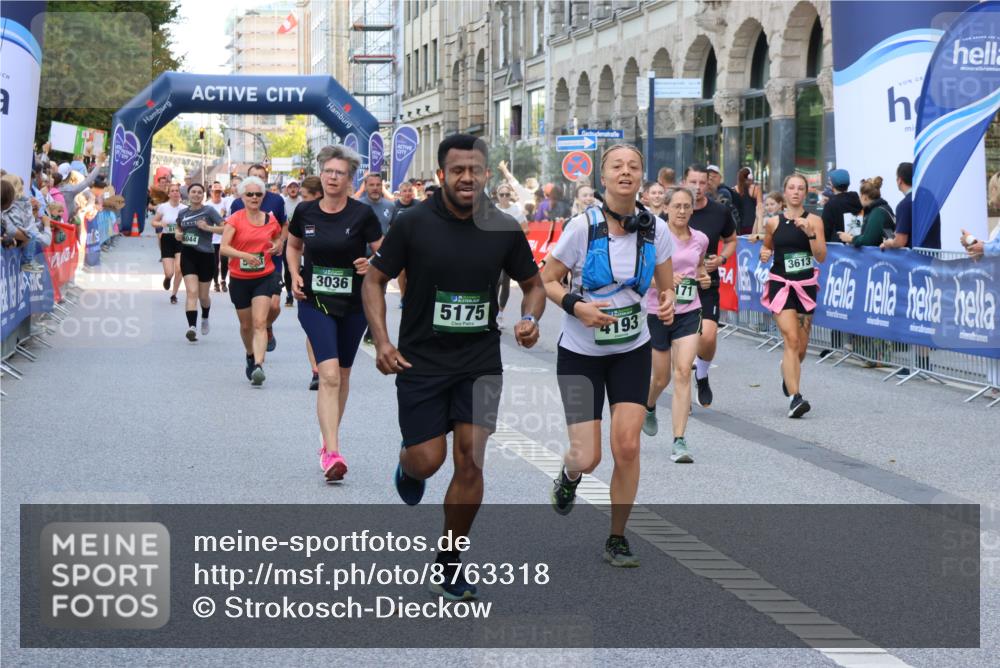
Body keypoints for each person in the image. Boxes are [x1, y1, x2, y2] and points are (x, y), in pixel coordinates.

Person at [363, 134, 545, 600]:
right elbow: (374, 279)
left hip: (480, 361)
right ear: (442, 174)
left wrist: (529, 318)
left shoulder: (504, 227)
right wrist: (382, 341)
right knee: (429, 460)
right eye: (458, 170)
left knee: (470, 459)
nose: (468, 177)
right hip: (421, 359)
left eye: (476, 170)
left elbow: (533, 284)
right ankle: (409, 465)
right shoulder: (413, 222)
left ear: (487, 174)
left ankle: (449, 558)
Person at [543, 144, 675, 568]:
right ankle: (570, 476)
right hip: (580, 353)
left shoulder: (656, 228)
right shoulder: (582, 228)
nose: (625, 172)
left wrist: (669, 300)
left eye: (634, 166)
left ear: (641, 178)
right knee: (588, 455)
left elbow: (666, 283)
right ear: (603, 177)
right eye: (617, 166)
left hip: (631, 350)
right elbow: (547, 280)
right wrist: (576, 306)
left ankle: (617, 537)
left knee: (628, 446)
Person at [287, 146, 384, 482]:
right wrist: (294, 274)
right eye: (327, 171)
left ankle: (327, 437)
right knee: (327, 374)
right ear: (321, 174)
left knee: (342, 376)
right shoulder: (305, 212)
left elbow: (384, 250)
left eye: (339, 173)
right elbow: (293, 244)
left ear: (349, 179)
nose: (331, 177)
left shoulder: (361, 215)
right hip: (315, 301)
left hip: (353, 305)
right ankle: (332, 452)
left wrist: (370, 263)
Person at [642, 186, 710, 461]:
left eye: (686, 206)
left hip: (689, 311)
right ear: (666, 208)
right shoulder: (655, 238)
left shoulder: (700, 239)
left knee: (683, 372)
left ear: (692, 209)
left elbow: (700, 266)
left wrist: (703, 277)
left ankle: (679, 441)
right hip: (658, 310)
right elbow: (641, 276)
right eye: (677, 206)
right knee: (662, 377)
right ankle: (649, 404)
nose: (682, 211)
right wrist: (665, 281)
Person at [760, 174, 827, 418]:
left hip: (805, 287)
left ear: (806, 192)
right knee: (790, 338)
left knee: (800, 347)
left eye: (800, 188)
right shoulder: (773, 223)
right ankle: (795, 398)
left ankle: (786, 372)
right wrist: (765, 253)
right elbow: (767, 246)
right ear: (785, 192)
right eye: (791, 187)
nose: (796, 192)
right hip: (780, 285)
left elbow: (821, 256)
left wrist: (810, 234)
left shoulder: (815, 221)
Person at [220, 176, 282, 386]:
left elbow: (277, 237)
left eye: (258, 194)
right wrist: (245, 256)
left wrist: (276, 245)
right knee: (246, 325)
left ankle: (258, 364)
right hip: (239, 278)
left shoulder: (270, 219)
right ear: (242, 196)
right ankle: (249, 354)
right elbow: (224, 248)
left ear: (263, 196)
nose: (254, 197)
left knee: (259, 322)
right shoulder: (235, 219)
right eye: (250, 194)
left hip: (264, 276)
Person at [684, 164, 736, 407]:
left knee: (707, 336)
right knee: (682, 345)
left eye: (702, 183)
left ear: (709, 184)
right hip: (677, 287)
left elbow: (731, 240)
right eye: (693, 182)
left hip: (707, 283)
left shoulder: (719, 212)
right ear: (684, 182)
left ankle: (702, 374)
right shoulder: (675, 211)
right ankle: (682, 400)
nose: (697, 187)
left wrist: (722, 258)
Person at [230, 165, 287, 351]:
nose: (257, 179)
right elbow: (231, 230)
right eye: (254, 176)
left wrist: (279, 244)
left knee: (275, 305)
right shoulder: (238, 203)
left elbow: (284, 226)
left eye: (261, 176)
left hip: (271, 262)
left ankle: (266, 324)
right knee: (251, 323)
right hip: (244, 267)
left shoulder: (277, 200)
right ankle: (260, 330)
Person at [174, 183, 224, 341]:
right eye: (193, 192)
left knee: (203, 296)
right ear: (188, 194)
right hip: (188, 254)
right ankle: (192, 327)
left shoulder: (208, 211)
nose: (196, 194)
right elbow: (179, 228)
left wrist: (208, 228)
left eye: (199, 192)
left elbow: (225, 228)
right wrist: (178, 234)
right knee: (192, 292)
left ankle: (205, 317)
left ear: (203, 195)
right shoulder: (182, 212)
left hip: (206, 256)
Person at [881, 161, 941, 250]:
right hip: (933, 257)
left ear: (900, 180)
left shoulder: (904, 205)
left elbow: (900, 241)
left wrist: (888, 243)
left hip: (915, 260)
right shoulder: (930, 198)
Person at [493, 182, 528, 328]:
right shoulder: (493, 210)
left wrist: (513, 236)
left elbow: (525, 229)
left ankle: (500, 313)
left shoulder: (515, 210)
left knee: (504, 281)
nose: (505, 197)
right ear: (497, 196)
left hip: (509, 250)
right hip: (494, 250)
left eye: (507, 194)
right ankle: (494, 313)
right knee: (496, 281)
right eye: (502, 195)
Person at [150, 183, 186, 303]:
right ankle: (167, 278)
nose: (175, 193)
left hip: (180, 239)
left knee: (180, 268)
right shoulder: (163, 207)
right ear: (169, 194)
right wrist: (161, 224)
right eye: (173, 191)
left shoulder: (185, 208)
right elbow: (153, 222)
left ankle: (174, 295)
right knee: (170, 272)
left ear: (179, 194)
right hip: (167, 239)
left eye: (177, 191)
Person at [838, 177, 893, 247]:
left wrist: (850, 238)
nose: (859, 198)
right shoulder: (884, 208)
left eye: (860, 195)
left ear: (864, 197)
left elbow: (869, 240)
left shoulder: (877, 213)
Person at [821, 168, 863, 242]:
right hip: (859, 246)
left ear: (832, 185)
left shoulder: (830, 205)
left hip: (839, 251)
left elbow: (825, 233)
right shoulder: (859, 200)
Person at [205, 182, 229, 293]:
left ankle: (223, 280)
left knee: (224, 260)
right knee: (214, 262)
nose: (217, 194)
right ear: (211, 192)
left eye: (219, 192)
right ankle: (215, 282)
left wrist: (224, 213)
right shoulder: (207, 205)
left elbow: (231, 216)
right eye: (215, 192)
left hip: (224, 237)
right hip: (212, 237)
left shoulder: (226, 202)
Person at [706, 164, 742, 233]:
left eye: (714, 176)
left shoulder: (724, 192)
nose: (711, 179)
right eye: (709, 176)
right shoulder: (703, 192)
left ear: (720, 179)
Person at [734, 167, 762, 236]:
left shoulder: (734, 189)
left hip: (738, 225)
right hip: (752, 224)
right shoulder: (756, 189)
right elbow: (760, 207)